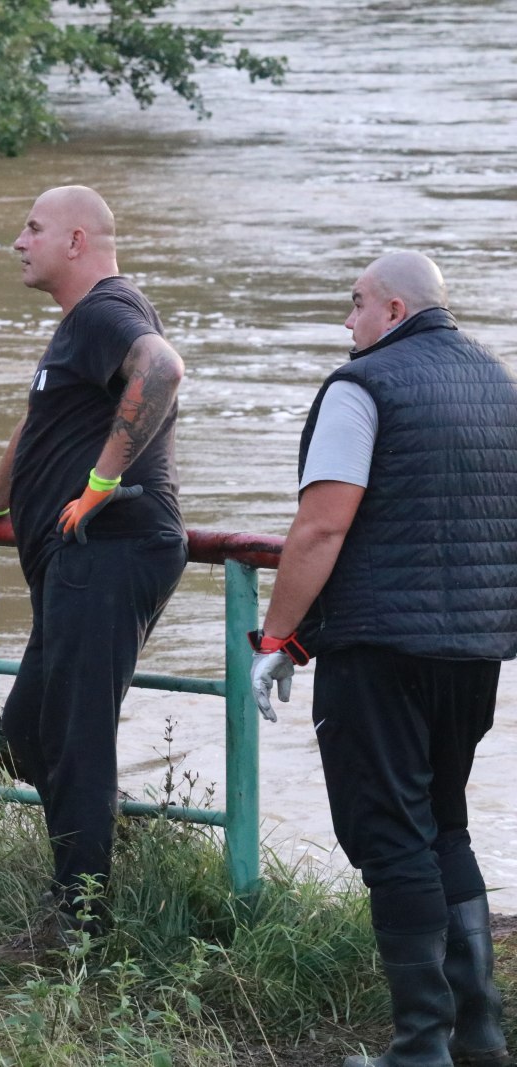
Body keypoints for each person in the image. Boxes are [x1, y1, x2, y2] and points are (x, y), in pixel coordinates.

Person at [251, 252, 514, 1067]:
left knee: (389, 833)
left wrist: (278, 639)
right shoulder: (498, 383)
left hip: (379, 649)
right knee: (444, 823)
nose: (346, 320)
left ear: (394, 309)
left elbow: (320, 527)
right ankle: (480, 1035)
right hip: (476, 647)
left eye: (356, 303)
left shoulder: (362, 387)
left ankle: (419, 1048)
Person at [0, 186, 188, 944]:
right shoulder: (79, 330)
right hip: (77, 557)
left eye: (32, 228)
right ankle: (85, 873)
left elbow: (159, 369)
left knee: (75, 734)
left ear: (78, 240)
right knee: (28, 726)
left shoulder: (104, 311)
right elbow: (39, 425)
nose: (18, 241)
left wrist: (100, 483)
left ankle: (77, 921)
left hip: (111, 545)